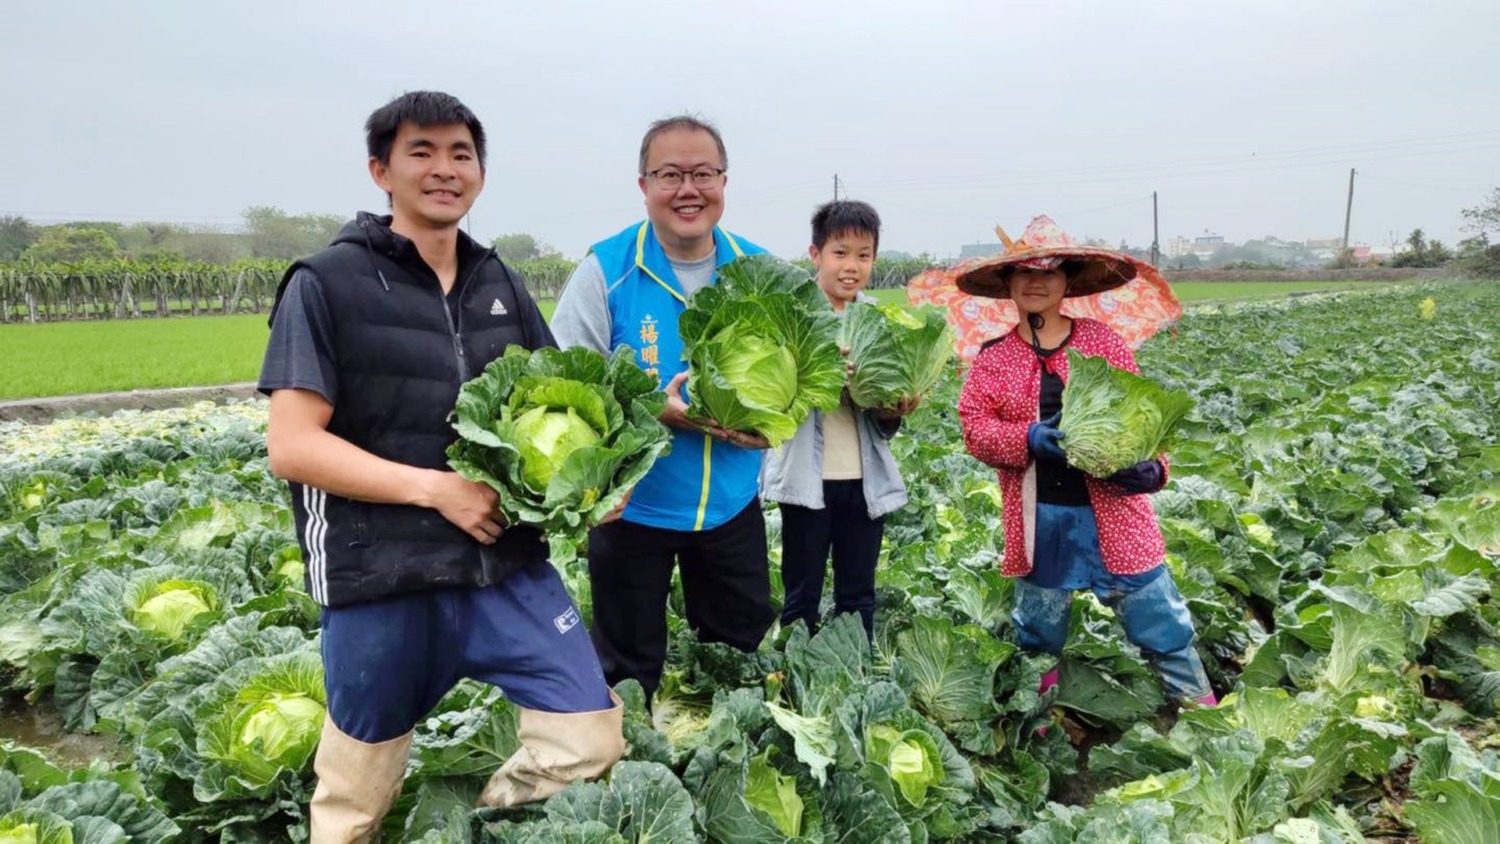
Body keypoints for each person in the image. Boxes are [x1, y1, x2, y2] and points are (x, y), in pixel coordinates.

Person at [259, 91, 623, 841]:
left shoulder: (500, 283)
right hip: (381, 575)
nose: (444, 169)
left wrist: (595, 485)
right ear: (380, 170)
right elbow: (292, 445)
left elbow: (567, 401)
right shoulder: (325, 282)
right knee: (356, 790)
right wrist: (434, 491)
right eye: (420, 152)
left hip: (503, 565)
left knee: (590, 736)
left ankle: (477, 824)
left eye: (461, 153)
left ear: (481, 172)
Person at [550, 114, 775, 697]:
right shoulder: (604, 269)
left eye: (703, 173)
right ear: (644, 183)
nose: (688, 190)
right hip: (632, 509)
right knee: (627, 669)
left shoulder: (759, 272)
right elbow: (560, 382)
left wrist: (778, 421)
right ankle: (629, 771)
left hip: (730, 504)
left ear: (724, 181)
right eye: (670, 174)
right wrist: (651, 411)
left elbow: (804, 376)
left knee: (737, 658)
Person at [955, 215, 1217, 716]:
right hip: (1043, 519)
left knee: (1158, 615)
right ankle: (1039, 726)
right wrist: (1028, 438)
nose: (1037, 281)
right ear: (1007, 283)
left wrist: (1154, 470)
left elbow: (1145, 417)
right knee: (1039, 629)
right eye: (1024, 272)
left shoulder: (1102, 343)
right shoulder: (994, 358)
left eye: (1051, 271)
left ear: (1067, 282)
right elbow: (976, 431)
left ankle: (1202, 713)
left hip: (1115, 513)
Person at [761, 200, 914, 640]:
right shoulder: (791, 318)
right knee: (801, 595)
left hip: (864, 480)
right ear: (815, 255)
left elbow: (885, 421)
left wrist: (892, 407)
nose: (852, 266)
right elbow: (773, 402)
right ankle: (795, 682)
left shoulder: (881, 323)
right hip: (805, 482)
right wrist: (822, 375)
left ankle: (854, 677)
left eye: (863, 255)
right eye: (840, 253)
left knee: (858, 595)